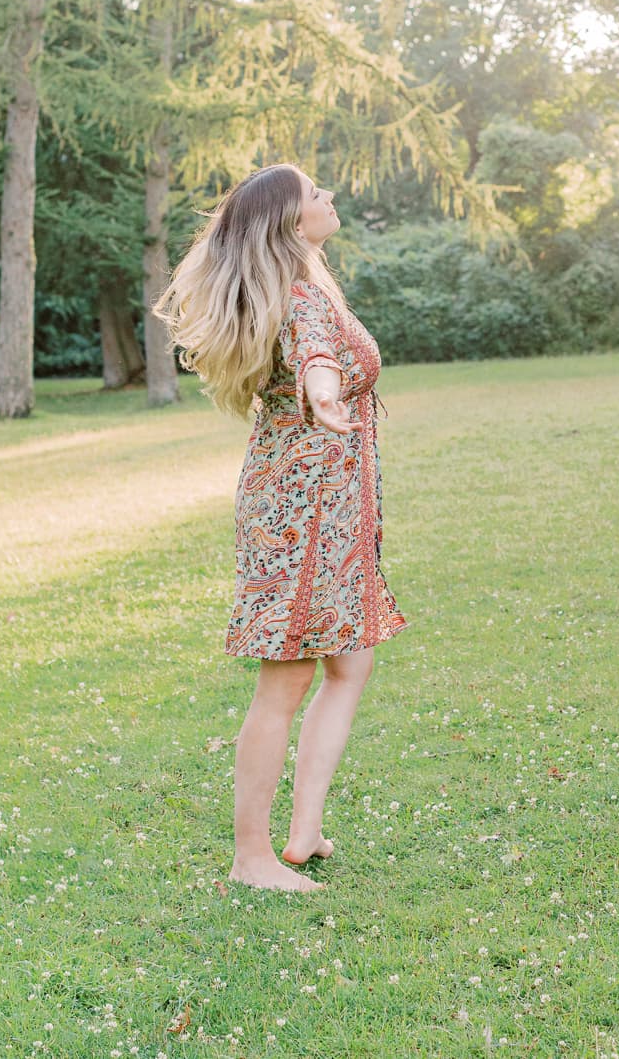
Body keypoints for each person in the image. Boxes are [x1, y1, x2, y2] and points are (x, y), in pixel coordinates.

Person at [152, 162, 409, 892]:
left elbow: (320, 348)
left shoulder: (305, 283)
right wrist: (324, 395)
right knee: (286, 680)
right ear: (293, 223)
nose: (328, 197)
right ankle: (251, 857)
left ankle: (303, 832)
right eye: (314, 194)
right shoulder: (299, 301)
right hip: (301, 518)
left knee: (348, 662)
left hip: (325, 510)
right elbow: (317, 360)